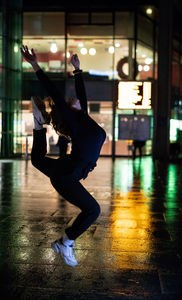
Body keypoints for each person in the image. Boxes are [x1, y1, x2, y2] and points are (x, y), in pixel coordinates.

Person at [21, 45, 106, 267]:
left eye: (73, 101)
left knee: (38, 161)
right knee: (93, 210)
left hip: (69, 172)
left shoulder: (82, 117)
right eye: (70, 102)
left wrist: (77, 71)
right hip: (68, 174)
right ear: (68, 110)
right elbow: (56, 93)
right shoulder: (75, 120)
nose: (73, 100)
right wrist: (35, 66)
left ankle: (63, 242)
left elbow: (81, 94)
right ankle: (67, 242)